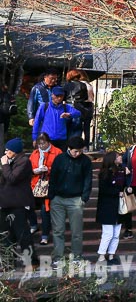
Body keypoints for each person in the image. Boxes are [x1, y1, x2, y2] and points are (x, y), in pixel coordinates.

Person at [48, 136, 93, 267]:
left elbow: (88, 180)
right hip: (58, 199)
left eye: (80, 151)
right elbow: (53, 178)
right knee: (58, 230)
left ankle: (77, 257)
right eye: (75, 151)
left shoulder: (85, 161)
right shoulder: (60, 159)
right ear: (69, 149)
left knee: (77, 231)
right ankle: (57, 258)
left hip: (76, 199)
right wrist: (52, 196)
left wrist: (84, 198)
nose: (78, 153)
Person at [0, 138, 37, 267]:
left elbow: (12, 178)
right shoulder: (10, 161)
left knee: (22, 234)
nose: (5, 152)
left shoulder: (24, 162)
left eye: (8, 150)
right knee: (5, 235)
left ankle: (32, 261)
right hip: (6, 203)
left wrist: (5, 165)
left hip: (19, 203)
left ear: (14, 151)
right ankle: (7, 262)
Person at [29, 132, 62, 246]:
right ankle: (33, 225)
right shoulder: (34, 153)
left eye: (43, 143)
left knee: (45, 210)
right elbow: (29, 168)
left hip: (49, 185)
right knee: (28, 206)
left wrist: (48, 169)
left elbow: (61, 169)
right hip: (35, 185)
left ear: (48, 142)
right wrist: (35, 170)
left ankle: (45, 236)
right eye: (39, 144)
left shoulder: (57, 152)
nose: (41, 146)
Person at [95, 151, 126, 264]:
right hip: (107, 207)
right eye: (118, 156)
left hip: (119, 206)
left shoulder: (121, 171)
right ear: (113, 159)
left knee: (116, 233)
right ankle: (102, 255)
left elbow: (124, 185)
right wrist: (117, 192)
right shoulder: (105, 173)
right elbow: (104, 190)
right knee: (108, 233)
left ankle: (112, 255)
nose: (120, 157)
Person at [32, 86, 81, 151]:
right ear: (52, 95)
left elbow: (78, 113)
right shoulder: (44, 106)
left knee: (61, 159)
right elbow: (36, 122)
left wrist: (69, 114)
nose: (59, 98)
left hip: (62, 139)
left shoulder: (65, 107)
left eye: (61, 96)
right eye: (57, 96)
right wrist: (35, 138)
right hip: (47, 139)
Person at [64, 70, 94, 151]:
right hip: (82, 107)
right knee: (82, 128)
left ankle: (69, 147)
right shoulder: (85, 85)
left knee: (69, 128)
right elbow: (86, 97)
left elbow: (63, 97)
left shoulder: (66, 85)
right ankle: (82, 147)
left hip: (69, 107)